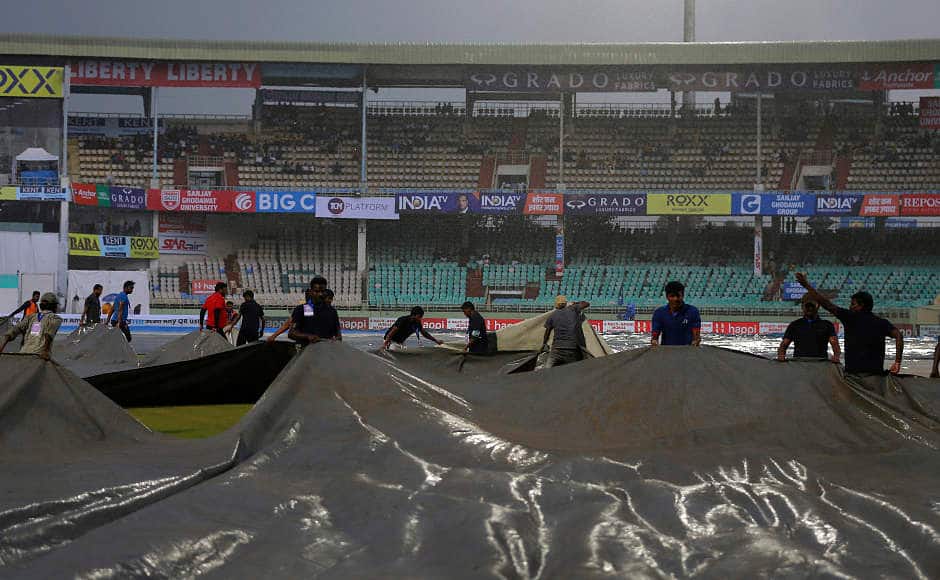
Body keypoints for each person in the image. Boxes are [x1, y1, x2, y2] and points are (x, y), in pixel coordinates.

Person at [795, 272, 903, 374]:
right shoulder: (881, 322)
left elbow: (826, 304)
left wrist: (806, 285)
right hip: (876, 375)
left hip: (853, 375)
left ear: (861, 306)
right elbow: (898, 335)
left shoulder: (850, 317)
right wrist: (897, 362)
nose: (850, 307)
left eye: (853, 304)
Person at [777, 296, 841, 363]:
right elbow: (784, 344)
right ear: (802, 307)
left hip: (820, 364)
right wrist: (781, 355)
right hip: (799, 363)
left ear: (818, 306)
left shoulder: (827, 325)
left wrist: (836, 356)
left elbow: (834, 344)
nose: (810, 309)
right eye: (807, 306)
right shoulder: (794, 325)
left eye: (812, 306)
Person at [0, 292, 62, 359]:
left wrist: (2, 346)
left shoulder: (30, 316)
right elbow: (49, 334)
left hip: (23, 353)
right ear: (54, 306)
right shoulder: (55, 318)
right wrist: (45, 351)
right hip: (38, 355)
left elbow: (14, 330)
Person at [288, 276, 341, 346]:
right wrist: (307, 336)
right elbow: (291, 333)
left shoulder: (332, 311)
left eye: (322, 291)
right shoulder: (302, 309)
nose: (320, 294)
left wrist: (336, 339)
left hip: (325, 352)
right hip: (306, 352)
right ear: (311, 291)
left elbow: (339, 336)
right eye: (317, 291)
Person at [541, 295, 590, 368]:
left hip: (556, 349)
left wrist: (544, 344)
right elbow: (586, 303)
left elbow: (547, 333)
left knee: (546, 370)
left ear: (556, 304)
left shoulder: (552, 315)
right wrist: (575, 303)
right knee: (573, 370)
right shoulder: (573, 309)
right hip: (571, 348)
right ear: (565, 303)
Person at [651, 281, 701, 346]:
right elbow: (655, 336)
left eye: (678, 296)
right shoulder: (659, 313)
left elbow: (696, 336)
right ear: (667, 297)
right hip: (666, 352)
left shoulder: (693, 311)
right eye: (672, 296)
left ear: (683, 296)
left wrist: (696, 340)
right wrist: (654, 341)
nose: (675, 299)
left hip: (688, 352)